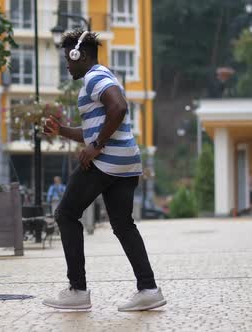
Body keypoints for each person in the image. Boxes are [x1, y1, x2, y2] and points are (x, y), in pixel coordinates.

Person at [42, 29, 166, 312]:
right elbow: (94, 128)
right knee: (123, 225)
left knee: (65, 214)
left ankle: (77, 290)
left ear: (80, 55)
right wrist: (61, 130)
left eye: (68, 59)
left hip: (106, 162)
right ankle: (148, 289)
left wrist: (96, 145)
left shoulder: (94, 77)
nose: (67, 65)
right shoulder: (103, 76)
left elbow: (118, 107)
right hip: (126, 162)